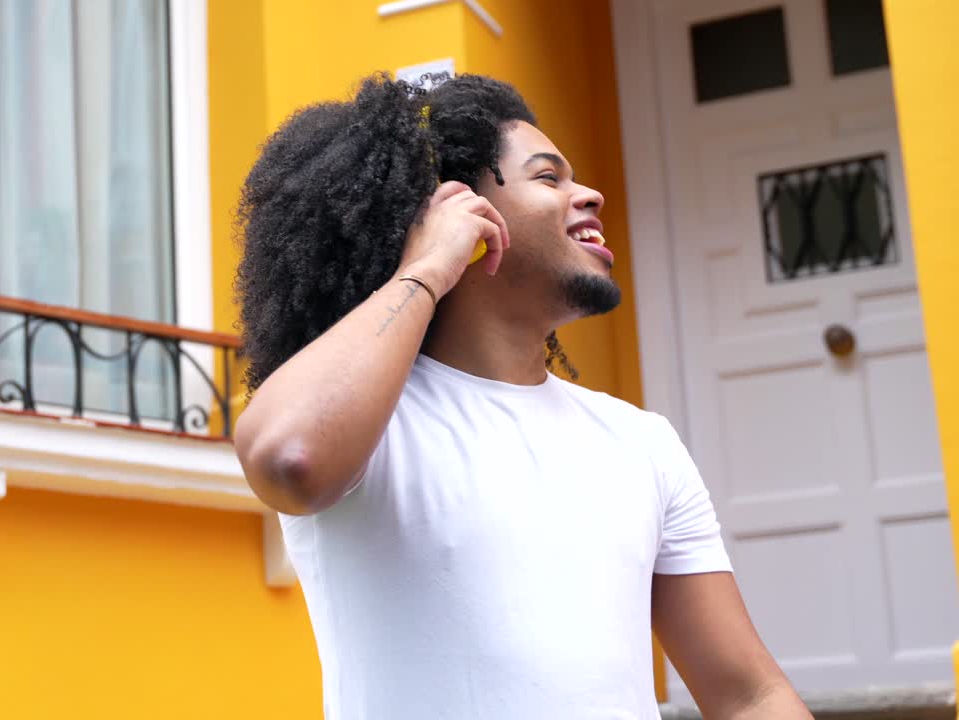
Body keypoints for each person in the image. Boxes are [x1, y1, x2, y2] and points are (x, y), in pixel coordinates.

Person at [232, 73, 810, 719]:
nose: (588, 193)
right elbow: (288, 456)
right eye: (547, 177)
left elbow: (747, 696)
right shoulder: (369, 425)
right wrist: (425, 269)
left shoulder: (641, 443)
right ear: (457, 212)